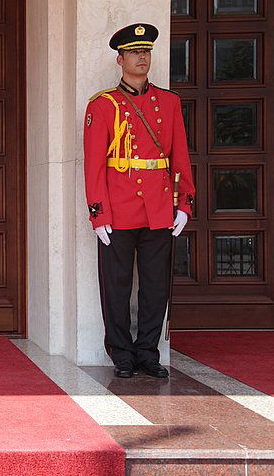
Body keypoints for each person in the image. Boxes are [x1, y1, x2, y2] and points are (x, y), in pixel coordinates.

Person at [83, 23, 195, 379]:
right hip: (118, 207)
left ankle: (148, 351)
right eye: (134, 52)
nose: (141, 57)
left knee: (155, 286)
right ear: (120, 59)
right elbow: (93, 163)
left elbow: (180, 157)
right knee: (116, 286)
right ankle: (122, 353)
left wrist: (185, 203)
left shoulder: (169, 102)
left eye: (145, 51)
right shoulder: (103, 105)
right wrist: (97, 212)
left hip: (160, 207)